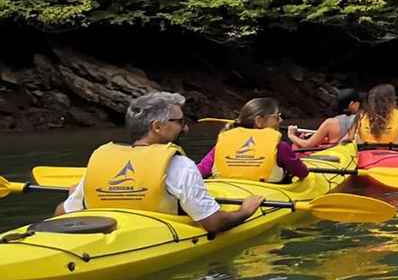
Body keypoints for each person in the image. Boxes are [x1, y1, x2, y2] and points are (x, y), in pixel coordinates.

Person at [55, 91, 263, 230]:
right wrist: (245, 210)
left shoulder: (103, 162)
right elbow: (213, 223)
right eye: (180, 122)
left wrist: (76, 196)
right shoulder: (180, 165)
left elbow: (61, 213)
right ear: (157, 127)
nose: (186, 128)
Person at [197, 97, 309, 183]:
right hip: (266, 198)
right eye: (276, 116)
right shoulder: (280, 147)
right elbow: (302, 173)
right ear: (259, 121)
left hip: (226, 193)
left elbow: (200, 171)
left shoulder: (223, 144)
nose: (280, 120)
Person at [288, 88, 362, 150]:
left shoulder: (330, 123)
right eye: (358, 102)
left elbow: (307, 145)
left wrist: (291, 135)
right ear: (352, 104)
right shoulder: (364, 119)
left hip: (338, 157)